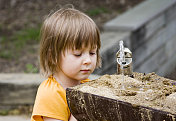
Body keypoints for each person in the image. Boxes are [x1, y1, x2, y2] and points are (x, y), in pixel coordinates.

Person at [31, 7, 101, 121]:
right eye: (78, 54)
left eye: (92, 52)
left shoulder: (88, 86)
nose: (88, 60)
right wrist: (78, 114)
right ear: (52, 56)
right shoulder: (51, 94)